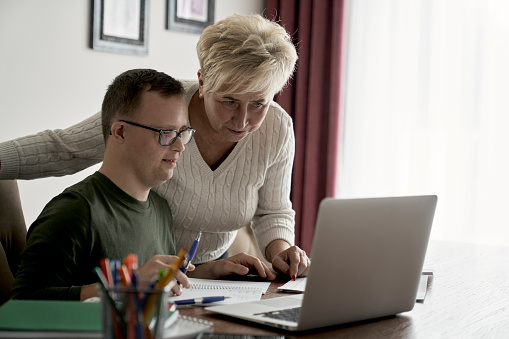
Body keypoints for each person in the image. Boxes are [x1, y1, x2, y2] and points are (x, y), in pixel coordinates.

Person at [0, 13, 310, 280]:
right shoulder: (162, 112)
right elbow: (63, 149)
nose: (242, 121)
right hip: (133, 272)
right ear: (203, 82)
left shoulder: (277, 128)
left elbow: (273, 210)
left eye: (259, 103)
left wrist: (282, 252)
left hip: (202, 273)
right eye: (229, 101)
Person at [10, 69, 275, 301]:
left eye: (183, 132)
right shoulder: (73, 212)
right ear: (120, 132)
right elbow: (23, 302)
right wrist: (125, 286)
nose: (180, 145)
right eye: (166, 133)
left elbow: (159, 281)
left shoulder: (160, 208)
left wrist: (213, 271)